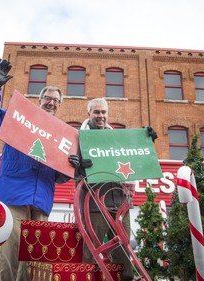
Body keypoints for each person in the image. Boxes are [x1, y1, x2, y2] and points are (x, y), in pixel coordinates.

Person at [0, 58, 70, 281]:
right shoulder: (19, 118)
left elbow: (60, 176)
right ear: (39, 100)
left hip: (42, 201)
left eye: (56, 100)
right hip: (14, 195)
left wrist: (72, 166)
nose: (51, 103)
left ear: (59, 105)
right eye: (47, 98)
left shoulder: (61, 135)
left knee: (34, 261)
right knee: (10, 254)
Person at [69, 98, 157, 281]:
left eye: (103, 112)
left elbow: (135, 157)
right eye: (96, 112)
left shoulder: (117, 139)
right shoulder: (78, 138)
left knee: (124, 251)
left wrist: (147, 142)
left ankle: (126, 278)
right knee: (91, 249)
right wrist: (78, 166)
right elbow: (68, 169)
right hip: (93, 203)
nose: (100, 116)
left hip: (119, 201)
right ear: (89, 114)